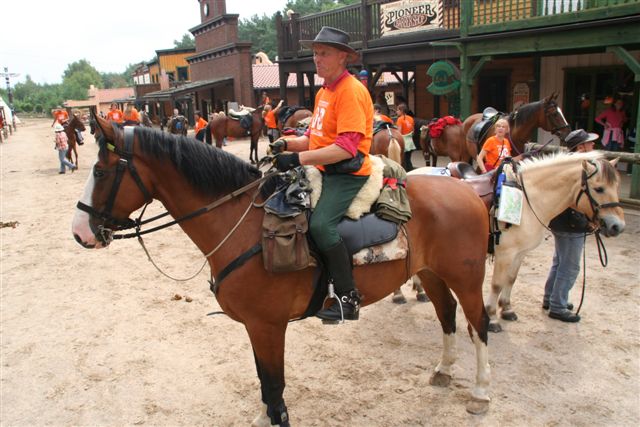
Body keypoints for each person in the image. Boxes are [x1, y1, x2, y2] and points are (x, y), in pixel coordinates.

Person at [269, 26, 372, 322]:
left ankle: (348, 297)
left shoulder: (351, 91)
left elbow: (346, 148)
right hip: (325, 168)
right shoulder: (324, 92)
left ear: (342, 57)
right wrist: (286, 144)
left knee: (321, 226)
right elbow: (315, 140)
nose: (317, 59)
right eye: (315, 53)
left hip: (348, 173)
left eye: (324, 53)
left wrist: (297, 158)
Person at [543, 129, 598, 323]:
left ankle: (550, 298)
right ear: (580, 147)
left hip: (559, 220)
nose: (593, 145)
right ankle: (558, 305)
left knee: (559, 261)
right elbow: (576, 199)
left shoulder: (565, 164)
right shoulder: (578, 168)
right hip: (571, 222)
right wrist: (589, 219)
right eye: (589, 143)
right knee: (570, 266)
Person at [396, 103, 416, 171]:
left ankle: (408, 173)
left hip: (403, 142)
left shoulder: (400, 119)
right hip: (410, 142)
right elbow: (413, 131)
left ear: (401, 110)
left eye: (397, 110)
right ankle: (410, 171)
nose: (396, 112)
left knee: (404, 161)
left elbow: (399, 132)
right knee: (408, 159)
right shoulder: (411, 118)